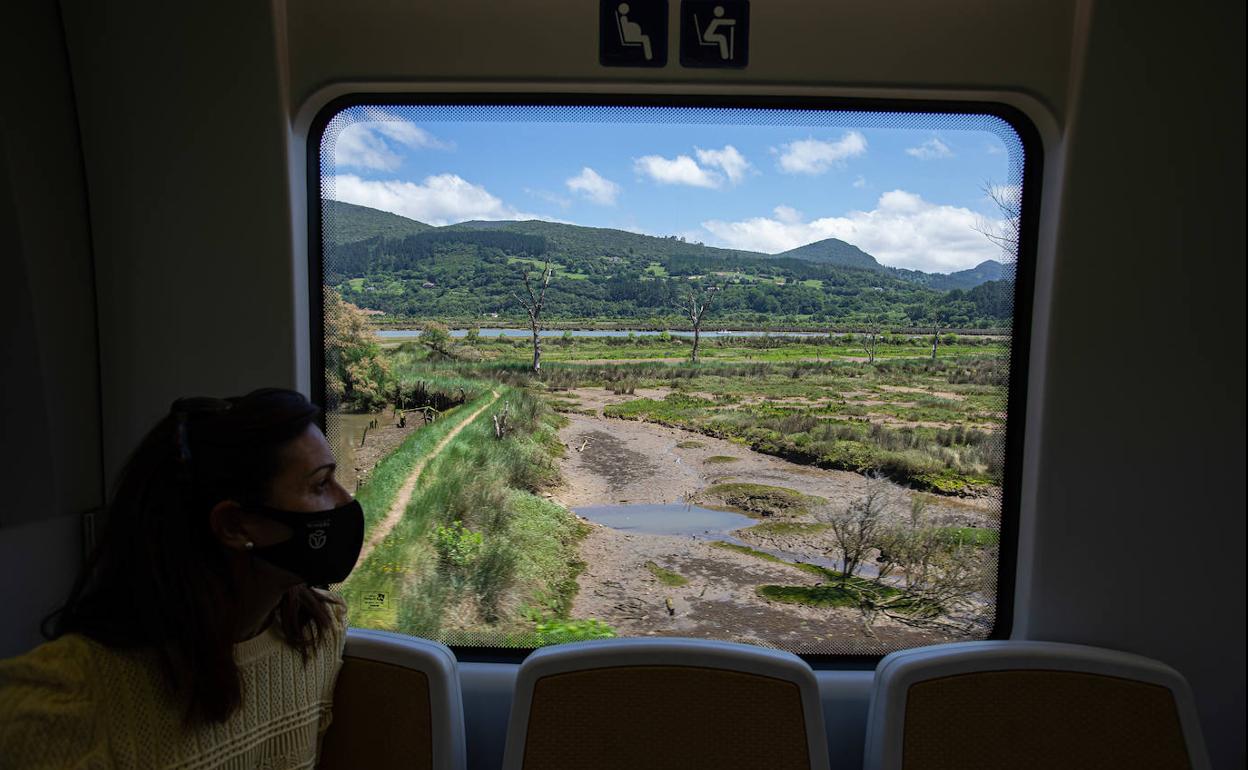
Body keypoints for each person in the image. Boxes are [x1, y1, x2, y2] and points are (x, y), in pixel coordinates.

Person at [0, 388, 365, 769]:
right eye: (320, 485)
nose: (345, 500)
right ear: (234, 525)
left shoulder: (316, 635)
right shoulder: (60, 705)